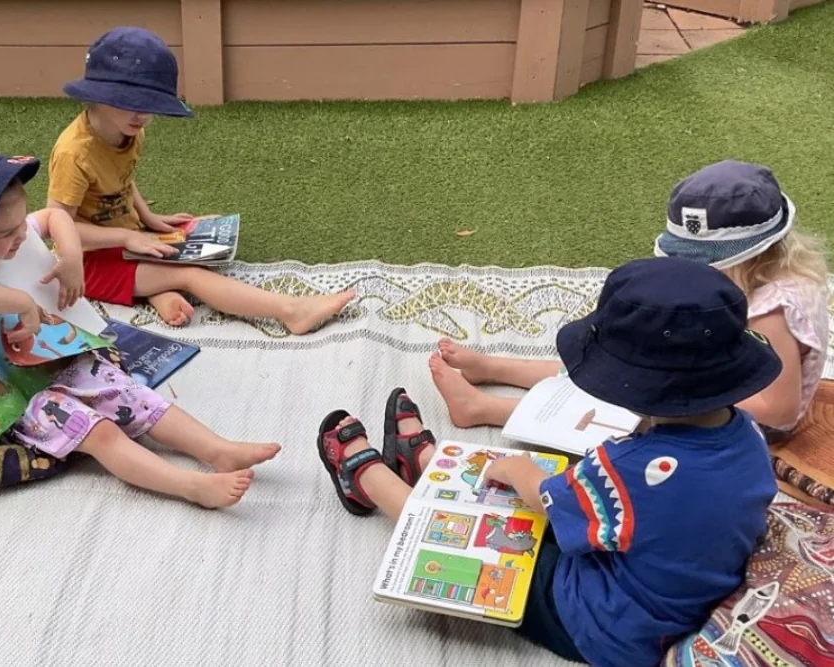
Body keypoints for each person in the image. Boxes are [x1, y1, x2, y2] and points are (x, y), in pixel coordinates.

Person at [317, 257, 781, 667]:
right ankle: (429, 464)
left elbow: (549, 501)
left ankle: (371, 481)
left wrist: (521, 472)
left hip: (606, 624)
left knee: (492, 542)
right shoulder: (748, 435)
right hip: (667, 582)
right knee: (529, 503)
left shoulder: (633, 470)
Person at [0, 132, 279, 508]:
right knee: (101, 433)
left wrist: (71, 258)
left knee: (136, 397)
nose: (22, 234)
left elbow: (54, 216)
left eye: (22, 224)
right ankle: (189, 486)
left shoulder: (17, 232)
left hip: (54, 361)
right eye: (7, 233)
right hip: (12, 395)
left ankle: (217, 450)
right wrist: (21, 302)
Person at [432, 160, 828, 441]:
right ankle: (494, 368)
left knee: (625, 401)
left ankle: (485, 409)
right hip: (715, 376)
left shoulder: (772, 309)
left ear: (751, 257)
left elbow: (779, 410)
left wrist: (684, 399)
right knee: (615, 365)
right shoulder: (765, 279)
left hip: (743, 424)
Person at [47, 26, 354, 330]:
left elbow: (120, 179)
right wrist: (128, 237)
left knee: (197, 234)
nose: (142, 115)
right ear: (99, 96)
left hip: (124, 240)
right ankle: (291, 312)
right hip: (84, 264)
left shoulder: (128, 129)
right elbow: (57, 225)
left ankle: (155, 292)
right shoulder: (74, 153)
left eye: (150, 105)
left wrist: (148, 217)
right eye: (131, 101)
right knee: (191, 274)